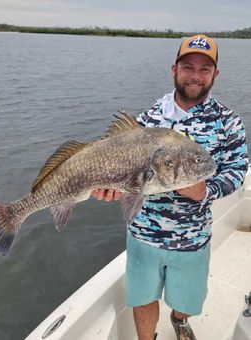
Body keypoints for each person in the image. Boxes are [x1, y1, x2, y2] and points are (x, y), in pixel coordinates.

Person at [92, 34, 249, 340]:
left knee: (187, 302)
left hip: (193, 238)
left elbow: (237, 170)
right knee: (143, 299)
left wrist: (208, 191)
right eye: (188, 66)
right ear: (174, 69)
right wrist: (110, 190)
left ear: (215, 74)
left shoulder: (228, 122)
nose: (195, 75)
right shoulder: (147, 120)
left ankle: (179, 320)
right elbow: (124, 175)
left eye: (204, 69)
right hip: (143, 235)